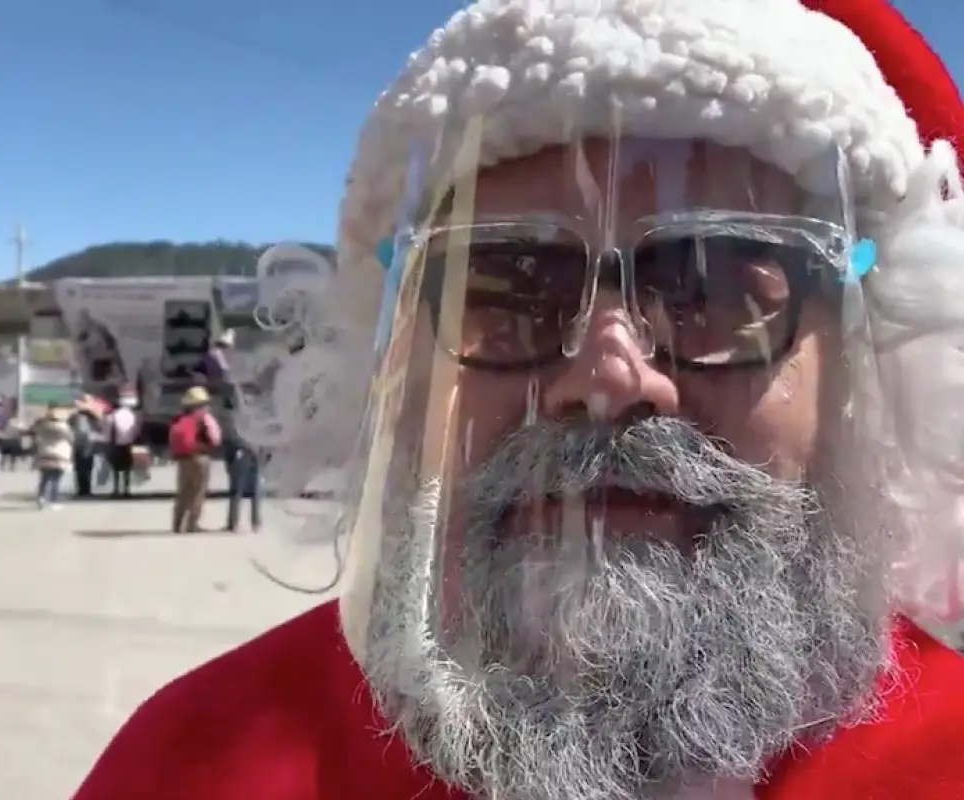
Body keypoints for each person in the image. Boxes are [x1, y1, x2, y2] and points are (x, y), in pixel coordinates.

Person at [73, 1, 964, 798]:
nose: (609, 379)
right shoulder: (193, 765)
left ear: (868, 365)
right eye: (508, 293)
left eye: (718, 293)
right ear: (395, 367)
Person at [167, 386, 221, 533]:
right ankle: (192, 525)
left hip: (182, 459)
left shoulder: (178, 418)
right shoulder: (204, 418)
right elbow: (215, 439)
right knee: (198, 492)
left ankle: (177, 525)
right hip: (200, 458)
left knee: (183, 492)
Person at [32, 404, 74, 510]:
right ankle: (53, 500)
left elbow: (34, 433)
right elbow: (71, 438)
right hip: (60, 454)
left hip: (44, 452)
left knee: (44, 478)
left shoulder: (42, 425)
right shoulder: (63, 427)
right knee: (56, 479)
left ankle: (41, 497)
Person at [106, 389, 139, 498]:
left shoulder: (112, 415)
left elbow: (108, 429)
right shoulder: (131, 415)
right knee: (127, 469)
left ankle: (116, 490)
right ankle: (126, 489)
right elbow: (135, 429)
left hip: (116, 444)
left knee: (116, 469)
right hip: (128, 444)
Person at [70, 396, 102, 498]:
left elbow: (100, 420)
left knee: (88, 467)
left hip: (89, 443)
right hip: (77, 443)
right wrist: (76, 409)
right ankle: (81, 489)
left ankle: (87, 489)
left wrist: (89, 409)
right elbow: (69, 422)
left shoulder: (92, 414)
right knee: (79, 468)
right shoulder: (75, 414)